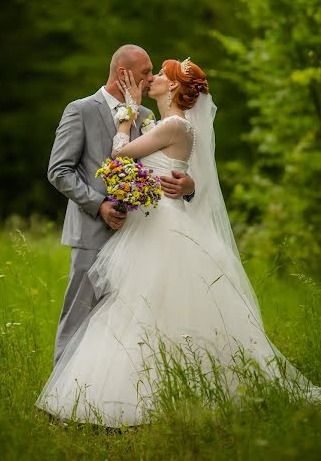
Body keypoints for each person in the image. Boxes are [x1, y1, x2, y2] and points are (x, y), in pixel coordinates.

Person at [36, 58, 320, 427]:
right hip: (138, 224)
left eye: (159, 75)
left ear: (172, 88)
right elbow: (172, 169)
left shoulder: (169, 123)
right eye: (148, 72)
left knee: (143, 311)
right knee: (128, 310)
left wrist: (126, 116)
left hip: (158, 227)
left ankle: (129, 398)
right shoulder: (153, 121)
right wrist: (182, 181)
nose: (151, 78)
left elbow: (122, 153)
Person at [48, 45, 195, 366]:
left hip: (139, 236)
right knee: (79, 313)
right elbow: (59, 171)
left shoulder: (145, 116)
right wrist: (99, 204)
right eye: (145, 72)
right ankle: (58, 393)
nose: (151, 77)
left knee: (122, 322)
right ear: (122, 74)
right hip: (91, 231)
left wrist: (188, 186)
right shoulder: (81, 110)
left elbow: (162, 167)